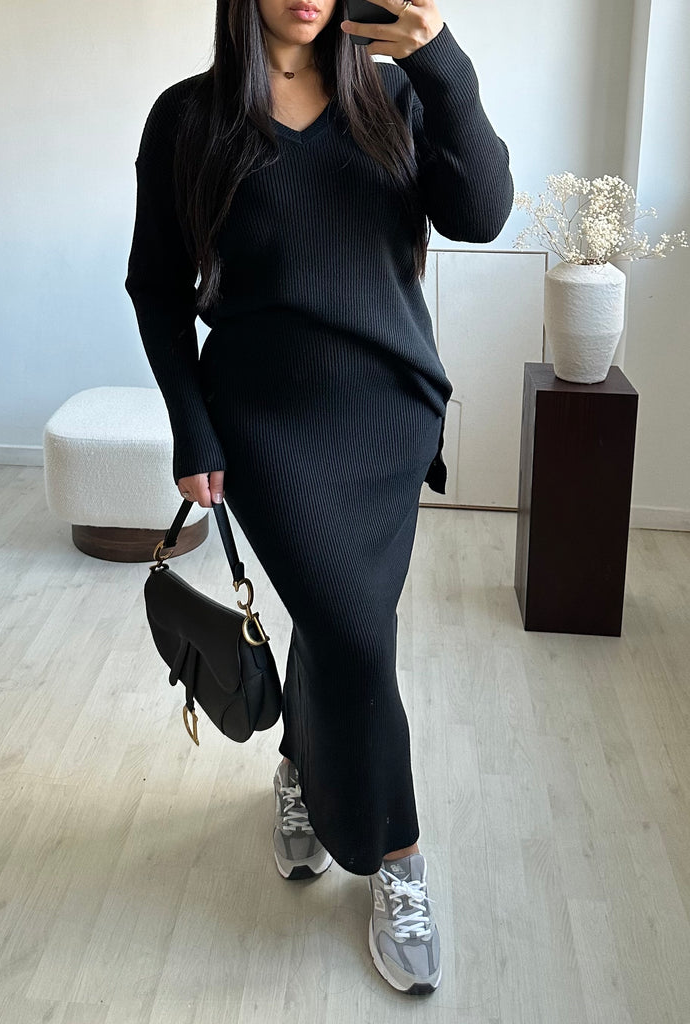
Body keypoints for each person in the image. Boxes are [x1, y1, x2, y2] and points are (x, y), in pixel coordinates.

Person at [125, 0, 513, 995]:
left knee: (347, 627)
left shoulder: (395, 97)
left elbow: (481, 215)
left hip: (390, 417)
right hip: (265, 428)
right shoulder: (188, 119)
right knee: (354, 636)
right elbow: (157, 288)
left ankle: (301, 770)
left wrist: (441, 62)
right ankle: (397, 855)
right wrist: (191, 426)